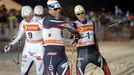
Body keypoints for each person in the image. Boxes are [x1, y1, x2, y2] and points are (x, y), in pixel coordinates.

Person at [41, 0, 80, 75]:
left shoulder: (57, 21)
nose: (58, 10)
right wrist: (75, 32)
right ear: (49, 9)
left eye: (59, 8)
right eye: (55, 9)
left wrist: (73, 37)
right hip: (50, 57)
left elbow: (60, 39)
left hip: (62, 56)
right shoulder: (47, 20)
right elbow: (64, 24)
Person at [4, 6, 45, 75]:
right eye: (23, 17)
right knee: (23, 72)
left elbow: (47, 33)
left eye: (26, 17)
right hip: (28, 47)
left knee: (40, 73)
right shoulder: (23, 22)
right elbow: (18, 35)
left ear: (31, 14)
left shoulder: (40, 21)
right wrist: (10, 44)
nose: (25, 19)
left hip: (39, 47)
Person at [72, 5, 111, 75]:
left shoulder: (91, 22)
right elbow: (71, 37)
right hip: (82, 53)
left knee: (105, 66)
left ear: (84, 12)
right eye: (78, 14)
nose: (81, 15)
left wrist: (98, 49)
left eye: (82, 12)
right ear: (76, 15)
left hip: (93, 52)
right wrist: (75, 36)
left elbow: (94, 38)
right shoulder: (75, 24)